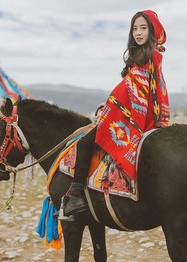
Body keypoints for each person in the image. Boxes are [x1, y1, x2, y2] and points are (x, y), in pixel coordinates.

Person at [62, 10, 170, 221]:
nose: (138, 33)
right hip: (129, 111)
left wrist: (111, 108)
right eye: (135, 28)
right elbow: (134, 90)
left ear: (153, 30)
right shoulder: (150, 55)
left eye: (143, 28)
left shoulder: (146, 56)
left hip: (132, 118)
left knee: (85, 142)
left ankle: (75, 195)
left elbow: (136, 93)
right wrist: (110, 103)